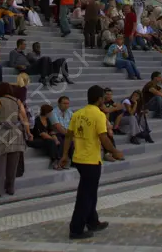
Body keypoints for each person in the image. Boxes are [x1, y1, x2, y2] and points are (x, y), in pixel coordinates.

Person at [60, 84, 122, 240]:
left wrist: (65, 155)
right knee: (85, 195)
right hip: (91, 160)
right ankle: (76, 229)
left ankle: (92, 221)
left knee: (90, 192)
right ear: (100, 99)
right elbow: (103, 137)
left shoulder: (77, 114)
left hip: (79, 158)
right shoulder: (98, 115)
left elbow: (68, 136)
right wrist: (115, 152)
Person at [0, 82, 31, 196]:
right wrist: (28, 132)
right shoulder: (18, 101)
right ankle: (10, 188)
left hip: (1, 133)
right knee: (13, 164)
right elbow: (24, 118)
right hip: (16, 133)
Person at [29, 102, 62, 168]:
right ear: (46, 112)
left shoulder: (47, 120)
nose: (52, 114)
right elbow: (42, 134)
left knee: (59, 139)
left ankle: (59, 158)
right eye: (50, 112)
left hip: (45, 139)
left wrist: (56, 139)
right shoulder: (37, 120)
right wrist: (53, 140)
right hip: (35, 139)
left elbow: (51, 132)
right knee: (51, 141)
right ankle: (55, 160)